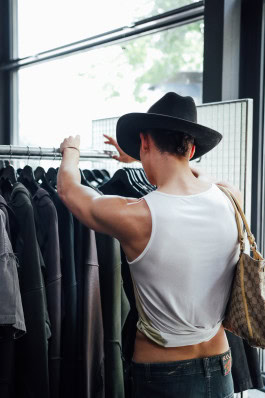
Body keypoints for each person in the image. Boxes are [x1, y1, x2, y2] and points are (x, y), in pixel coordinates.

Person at [58, 92, 241, 397]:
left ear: (144, 142)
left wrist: (71, 152)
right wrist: (145, 157)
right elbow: (195, 176)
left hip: (164, 376)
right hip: (221, 363)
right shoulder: (230, 196)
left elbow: (69, 190)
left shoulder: (137, 215)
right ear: (193, 148)